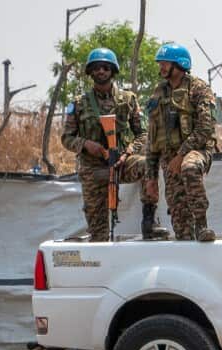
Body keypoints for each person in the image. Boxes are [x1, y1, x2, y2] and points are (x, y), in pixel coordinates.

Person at [61, 47, 168, 242]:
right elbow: (66, 138)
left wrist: (127, 153)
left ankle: (149, 222)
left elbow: (142, 134)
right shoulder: (79, 103)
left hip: (122, 162)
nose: (101, 71)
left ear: (112, 70)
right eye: (96, 68)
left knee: (147, 165)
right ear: (90, 72)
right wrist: (86, 144)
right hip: (94, 169)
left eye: (105, 67)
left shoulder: (127, 99)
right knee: (98, 234)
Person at [146, 42, 218, 242]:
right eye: (160, 63)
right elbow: (152, 137)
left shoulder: (198, 89)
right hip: (169, 160)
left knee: (189, 166)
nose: (161, 67)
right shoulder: (158, 93)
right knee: (180, 223)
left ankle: (202, 225)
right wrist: (151, 177)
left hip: (197, 151)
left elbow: (205, 128)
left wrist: (181, 154)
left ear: (179, 65)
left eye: (165, 63)